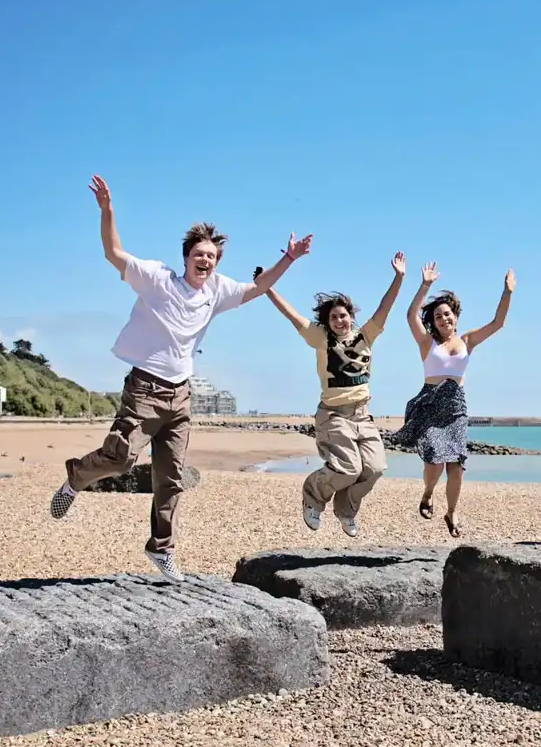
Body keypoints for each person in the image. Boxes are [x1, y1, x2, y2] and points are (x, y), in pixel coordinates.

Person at [49, 174, 311, 581]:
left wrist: (289, 259)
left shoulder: (217, 292)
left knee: (171, 478)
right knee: (119, 458)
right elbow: (113, 253)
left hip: (181, 395)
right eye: (200, 254)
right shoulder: (157, 279)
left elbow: (258, 288)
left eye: (212, 257)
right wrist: (107, 210)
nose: (206, 261)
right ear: (186, 256)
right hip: (144, 388)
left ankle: (161, 548)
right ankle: (75, 478)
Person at [258, 253, 406, 537]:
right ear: (327, 321)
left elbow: (385, 307)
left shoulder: (366, 335)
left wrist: (398, 278)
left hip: (363, 416)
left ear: (352, 317)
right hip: (333, 415)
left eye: (344, 316)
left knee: (373, 469)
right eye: (334, 317)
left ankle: (346, 510)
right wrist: (268, 288)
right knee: (348, 469)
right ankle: (312, 495)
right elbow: (291, 314)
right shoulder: (320, 338)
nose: (340, 321)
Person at [387, 262, 515, 538]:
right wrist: (425, 285)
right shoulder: (426, 343)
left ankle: (452, 511)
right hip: (430, 404)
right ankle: (428, 492)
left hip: (456, 407)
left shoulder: (468, 341)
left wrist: (507, 293)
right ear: (432, 323)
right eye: (437, 317)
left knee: (456, 466)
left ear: (455, 316)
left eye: (447, 314)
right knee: (434, 462)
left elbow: (498, 323)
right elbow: (410, 315)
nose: (443, 319)